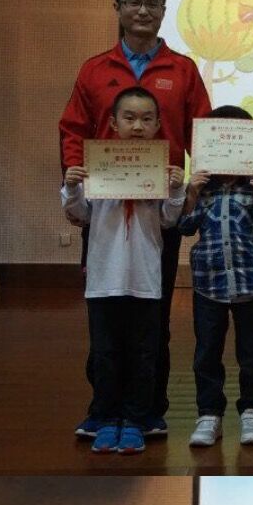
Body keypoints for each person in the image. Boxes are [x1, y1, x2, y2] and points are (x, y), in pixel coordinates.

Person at [60, 0, 212, 439]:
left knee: (153, 314)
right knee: (105, 313)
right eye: (133, 2)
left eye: (152, 3)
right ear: (118, 8)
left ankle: (147, 410)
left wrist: (196, 187)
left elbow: (204, 133)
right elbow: (73, 130)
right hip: (103, 213)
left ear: (164, 11)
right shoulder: (94, 69)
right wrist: (75, 178)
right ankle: (104, 409)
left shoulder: (183, 69)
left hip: (158, 214)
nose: (142, 10)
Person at [61, 87, 185, 454]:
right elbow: (81, 215)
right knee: (105, 352)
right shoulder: (96, 167)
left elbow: (168, 220)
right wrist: (72, 187)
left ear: (158, 125)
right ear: (113, 123)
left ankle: (135, 419)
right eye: (129, 118)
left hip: (145, 280)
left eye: (147, 119)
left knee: (143, 353)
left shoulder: (160, 170)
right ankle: (105, 415)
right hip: (104, 280)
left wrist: (176, 190)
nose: (138, 126)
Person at [178, 106, 253, 448]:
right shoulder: (203, 188)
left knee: (252, 352)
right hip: (208, 283)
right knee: (207, 351)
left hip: (251, 282)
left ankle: (251, 411)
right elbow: (184, 226)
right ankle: (209, 413)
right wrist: (191, 193)